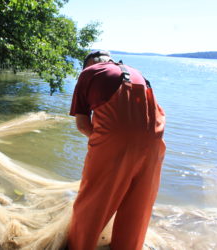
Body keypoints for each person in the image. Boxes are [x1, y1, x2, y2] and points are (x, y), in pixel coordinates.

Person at [67, 51, 166, 249]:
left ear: (90, 63)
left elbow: (82, 124)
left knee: (94, 199)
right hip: (154, 141)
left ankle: (80, 245)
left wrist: (104, 143)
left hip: (115, 140)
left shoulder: (90, 72)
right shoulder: (137, 73)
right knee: (138, 203)